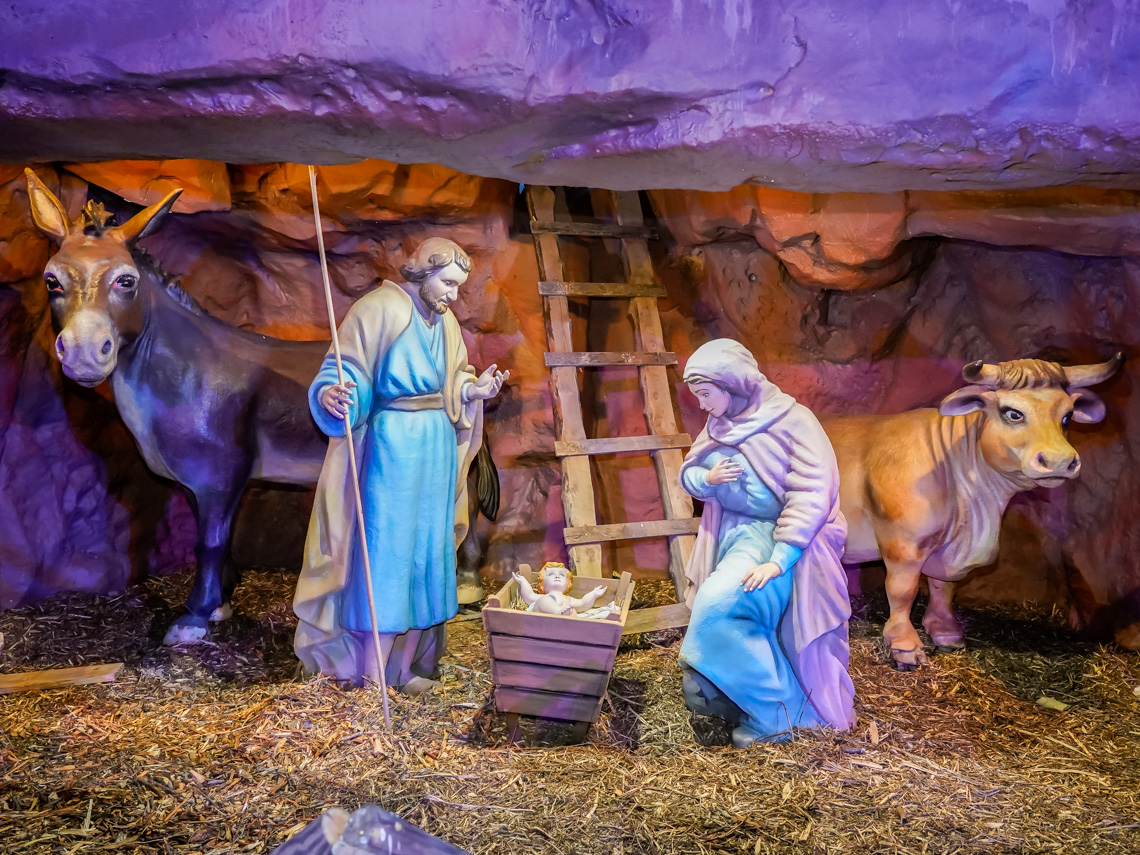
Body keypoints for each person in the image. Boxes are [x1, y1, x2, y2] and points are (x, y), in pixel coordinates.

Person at [293, 237, 507, 693]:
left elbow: (454, 380)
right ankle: (371, 676)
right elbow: (344, 370)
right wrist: (333, 394)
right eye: (447, 283)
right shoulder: (377, 309)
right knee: (387, 555)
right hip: (393, 448)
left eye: (458, 285)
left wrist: (473, 391)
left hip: (436, 449)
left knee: (426, 556)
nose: (453, 295)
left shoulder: (445, 321)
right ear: (422, 272)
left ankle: (403, 670)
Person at [678, 339, 854, 747]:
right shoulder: (720, 423)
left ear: (732, 383)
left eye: (706, 393)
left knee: (720, 608)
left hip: (782, 541)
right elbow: (690, 470)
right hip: (736, 534)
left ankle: (781, 714)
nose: (702, 405)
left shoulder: (794, 421)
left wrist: (779, 558)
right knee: (714, 611)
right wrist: (706, 479)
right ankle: (757, 703)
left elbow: (813, 492)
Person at [512, 562, 609, 616]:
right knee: (544, 601)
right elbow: (529, 596)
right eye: (551, 574)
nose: (557, 576)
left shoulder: (568, 599)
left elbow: (583, 603)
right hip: (543, 619)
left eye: (562, 575)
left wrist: (594, 594)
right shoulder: (543, 596)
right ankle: (557, 611)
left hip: (563, 624)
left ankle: (569, 624)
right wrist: (523, 582)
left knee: (572, 611)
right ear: (542, 583)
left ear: (568, 583)